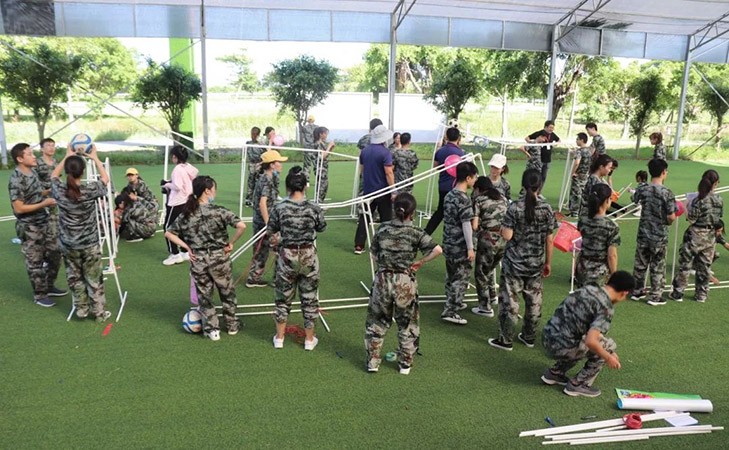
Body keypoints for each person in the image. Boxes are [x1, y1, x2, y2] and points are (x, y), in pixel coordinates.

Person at [365, 193, 442, 374]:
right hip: (405, 280)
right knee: (407, 323)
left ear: (395, 209)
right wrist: (420, 262)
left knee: (377, 322)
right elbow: (437, 250)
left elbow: (373, 254)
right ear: (412, 213)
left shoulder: (383, 229)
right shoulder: (416, 232)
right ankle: (405, 364)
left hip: (383, 280)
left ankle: (372, 362)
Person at [165, 176, 246, 341]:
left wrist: (187, 247)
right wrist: (231, 243)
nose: (215, 192)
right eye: (214, 189)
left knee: (205, 295)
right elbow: (241, 226)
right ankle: (232, 325)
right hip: (219, 258)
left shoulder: (187, 214)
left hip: (199, 259)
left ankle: (212, 329)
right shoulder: (219, 211)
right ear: (207, 191)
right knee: (227, 292)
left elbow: (169, 233)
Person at [489, 169, 555, 351]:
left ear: (523, 185)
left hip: (514, 263)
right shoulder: (547, 209)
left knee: (510, 302)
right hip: (536, 263)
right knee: (534, 302)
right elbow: (549, 239)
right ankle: (529, 336)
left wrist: (501, 229)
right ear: (540, 185)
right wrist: (548, 262)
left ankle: (505, 339)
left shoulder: (515, 207)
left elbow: (508, 235)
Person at [541, 271, 635, 398]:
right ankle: (578, 384)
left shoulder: (588, 289)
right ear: (624, 293)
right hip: (562, 347)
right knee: (607, 347)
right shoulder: (606, 307)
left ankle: (555, 373)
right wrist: (608, 356)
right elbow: (591, 341)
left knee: (586, 341)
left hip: (548, 337)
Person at [50, 145, 111, 321]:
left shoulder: (60, 190)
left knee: (74, 277)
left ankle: (81, 310)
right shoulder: (89, 190)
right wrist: (95, 158)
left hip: (69, 244)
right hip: (89, 244)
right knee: (94, 278)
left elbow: (53, 176)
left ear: (67, 171)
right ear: (83, 171)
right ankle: (99, 312)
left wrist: (66, 156)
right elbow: (105, 179)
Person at [269, 167, 327, 350]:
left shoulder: (279, 207)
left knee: (283, 298)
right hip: (308, 255)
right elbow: (322, 227)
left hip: (287, 255)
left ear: (287, 187)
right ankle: (309, 340)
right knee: (309, 299)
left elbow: (271, 229)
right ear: (304, 187)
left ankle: (279, 338)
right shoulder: (314, 208)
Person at [8, 143, 64, 307]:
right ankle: (40, 295)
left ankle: (49, 286)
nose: (34, 157)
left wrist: (48, 192)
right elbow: (19, 207)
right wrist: (44, 203)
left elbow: (36, 193)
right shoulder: (16, 179)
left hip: (43, 221)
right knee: (35, 262)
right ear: (20, 159)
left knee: (55, 253)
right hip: (29, 226)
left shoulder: (32, 172)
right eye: (30, 154)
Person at [670, 170, 723, 303]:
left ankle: (678, 293)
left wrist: (685, 206)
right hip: (710, 236)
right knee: (705, 267)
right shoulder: (719, 200)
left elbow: (691, 219)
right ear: (716, 183)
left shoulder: (698, 200)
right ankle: (701, 295)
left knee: (686, 265)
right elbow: (718, 218)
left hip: (694, 235)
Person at [630, 158, 677, 305]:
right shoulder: (667, 193)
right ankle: (655, 295)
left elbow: (634, 199)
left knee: (640, 263)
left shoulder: (643, 189)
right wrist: (667, 221)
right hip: (659, 235)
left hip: (643, 232)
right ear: (663, 172)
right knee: (657, 265)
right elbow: (671, 216)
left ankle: (637, 291)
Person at [441, 161, 478, 325]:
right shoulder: (464, 199)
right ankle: (451, 310)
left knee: (451, 275)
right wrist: (470, 247)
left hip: (448, 242)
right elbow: (466, 224)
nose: (475, 180)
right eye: (474, 177)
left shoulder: (449, 195)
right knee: (461, 278)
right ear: (468, 178)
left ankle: (452, 301)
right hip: (459, 244)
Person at [246, 150, 288, 287]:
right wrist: (269, 224)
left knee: (261, 250)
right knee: (280, 248)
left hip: (260, 220)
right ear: (271, 165)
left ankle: (254, 277)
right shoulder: (267, 180)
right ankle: (278, 279)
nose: (281, 164)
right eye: (279, 162)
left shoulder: (266, 177)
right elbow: (262, 203)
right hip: (265, 221)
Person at [354, 125, 395, 254]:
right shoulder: (385, 152)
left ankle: (359, 245)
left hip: (368, 189)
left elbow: (362, 169)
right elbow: (389, 173)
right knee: (386, 219)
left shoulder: (365, 151)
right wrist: (393, 190)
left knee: (365, 217)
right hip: (383, 190)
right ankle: (385, 245)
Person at [471, 176, 508, 317]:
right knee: (491, 269)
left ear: (478, 189)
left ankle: (484, 306)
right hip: (503, 239)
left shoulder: (479, 200)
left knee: (481, 273)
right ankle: (493, 296)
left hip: (487, 239)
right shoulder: (503, 198)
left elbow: (474, 225)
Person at [34, 137, 65, 297]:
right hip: (41, 209)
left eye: (53, 145)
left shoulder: (56, 163)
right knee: (45, 248)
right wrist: (47, 192)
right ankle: (41, 288)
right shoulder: (37, 164)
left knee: (55, 249)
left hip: (55, 209)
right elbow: (34, 188)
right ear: (42, 149)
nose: (51, 148)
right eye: (48, 145)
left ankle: (50, 284)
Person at [576, 183, 621, 288]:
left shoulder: (583, 220)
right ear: (607, 201)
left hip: (582, 268)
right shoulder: (611, 226)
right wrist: (614, 275)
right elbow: (612, 255)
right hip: (600, 272)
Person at [423, 127, 465, 236]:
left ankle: (426, 233)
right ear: (458, 138)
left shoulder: (440, 151)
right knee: (457, 212)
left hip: (443, 185)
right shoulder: (461, 153)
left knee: (440, 210)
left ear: (446, 137)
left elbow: (436, 166)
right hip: (456, 187)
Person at [162, 145, 198, 266]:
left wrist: (167, 185)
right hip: (186, 200)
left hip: (176, 202)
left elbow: (177, 186)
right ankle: (184, 251)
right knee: (182, 227)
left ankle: (174, 254)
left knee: (168, 228)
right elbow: (190, 177)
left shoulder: (177, 169)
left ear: (175, 157)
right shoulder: (188, 167)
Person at [579, 154, 613, 224]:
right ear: (601, 167)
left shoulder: (599, 179)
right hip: (590, 217)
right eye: (609, 168)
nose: (610, 170)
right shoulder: (594, 181)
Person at [526, 120, 561, 187]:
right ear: (545, 127)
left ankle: (539, 191)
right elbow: (527, 138)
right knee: (536, 176)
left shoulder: (553, 135)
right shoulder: (539, 133)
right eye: (550, 127)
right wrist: (534, 143)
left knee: (544, 176)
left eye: (553, 128)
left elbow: (559, 140)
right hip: (539, 159)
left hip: (547, 159)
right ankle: (532, 189)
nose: (551, 129)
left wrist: (554, 145)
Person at [568, 133, 593, 217]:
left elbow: (577, 162)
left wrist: (573, 172)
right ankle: (581, 211)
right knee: (583, 193)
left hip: (578, 175)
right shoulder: (589, 151)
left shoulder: (580, 151)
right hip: (585, 175)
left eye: (577, 139)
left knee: (576, 193)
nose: (576, 141)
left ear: (582, 140)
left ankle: (574, 212)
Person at [308, 126, 334, 203]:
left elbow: (326, 154)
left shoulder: (322, 143)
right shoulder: (318, 143)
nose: (326, 135)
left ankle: (320, 202)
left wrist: (330, 148)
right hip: (320, 168)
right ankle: (318, 203)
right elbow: (322, 156)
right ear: (321, 134)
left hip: (324, 168)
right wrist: (329, 146)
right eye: (325, 133)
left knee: (324, 185)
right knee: (321, 186)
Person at [245, 126, 263, 207]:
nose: (253, 136)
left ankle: (257, 199)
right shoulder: (248, 143)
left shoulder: (261, 144)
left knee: (257, 182)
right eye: (252, 134)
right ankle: (249, 199)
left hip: (259, 164)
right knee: (251, 182)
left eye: (255, 134)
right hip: (252, 164)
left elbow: (265, 153)